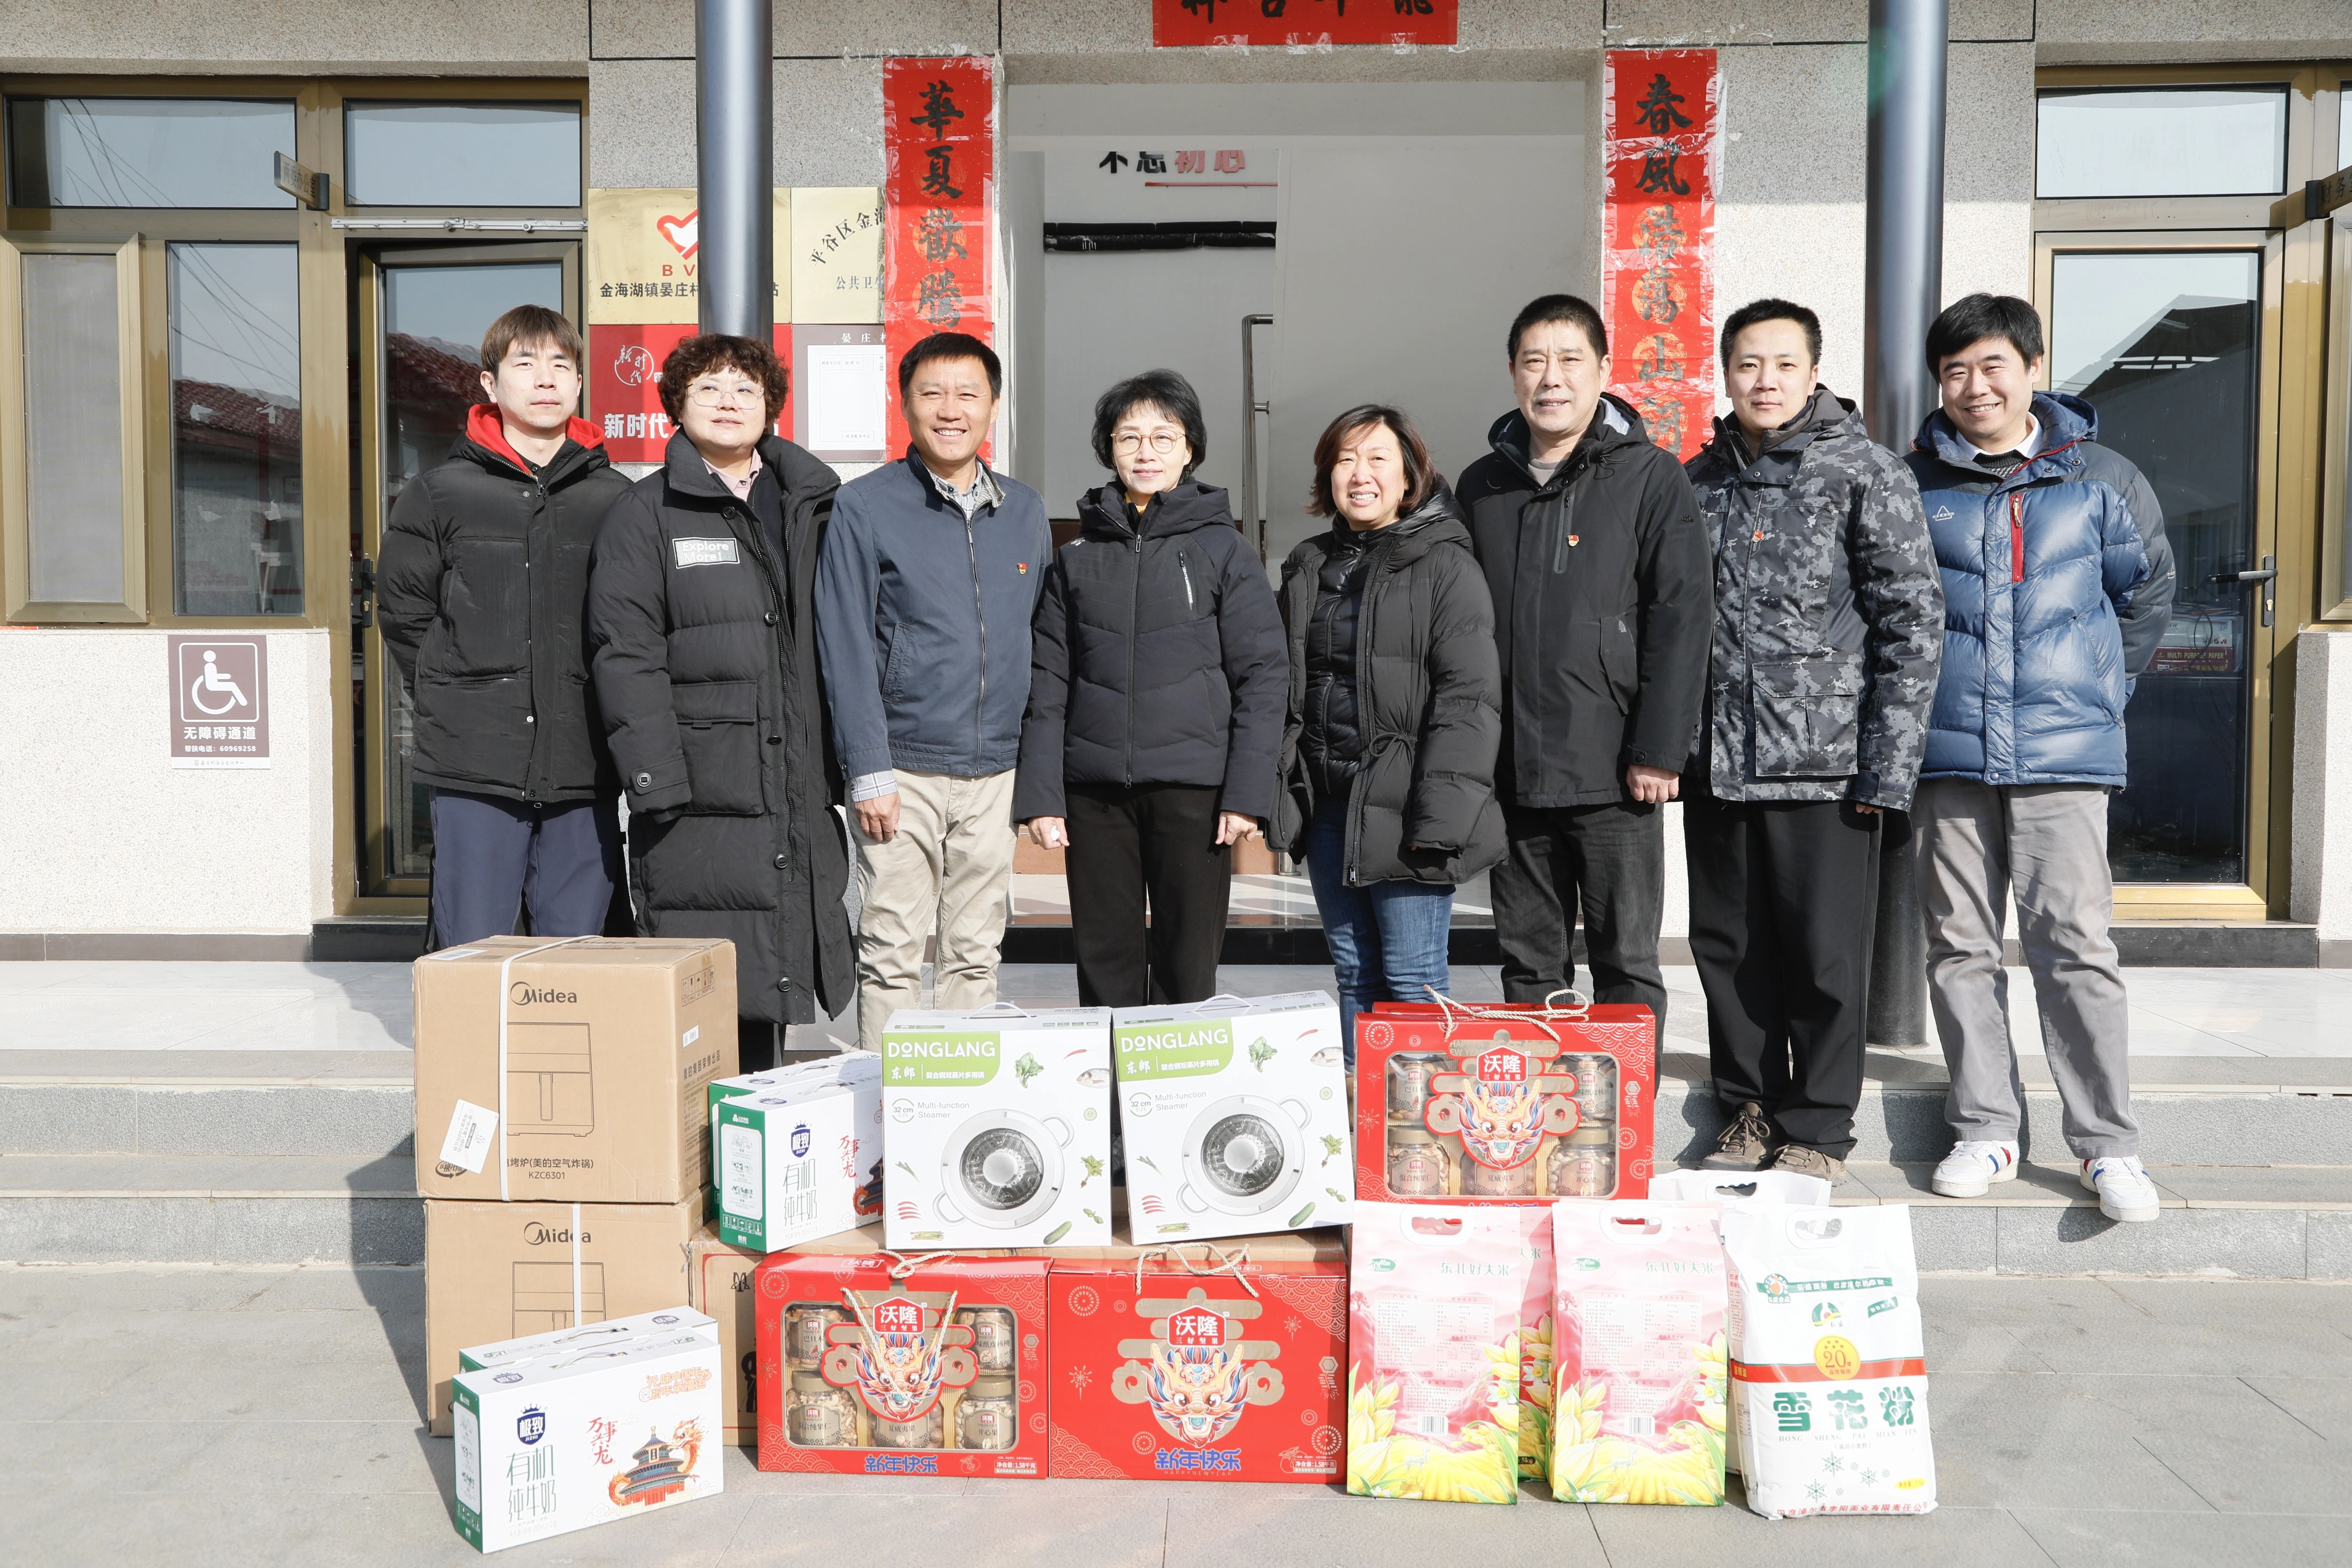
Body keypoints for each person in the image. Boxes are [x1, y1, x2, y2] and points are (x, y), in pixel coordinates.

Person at [1906, 293, 2176, 1224]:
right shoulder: (1914, 482)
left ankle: (2109, 1145)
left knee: (2075, 946)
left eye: (1992, 366)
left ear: (2031, 368)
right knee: (1960, 946)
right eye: (1955, 371)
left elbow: (2147, 594)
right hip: (1948, 752)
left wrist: (2099, 689)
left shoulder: (2101, 477)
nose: (1974, 386)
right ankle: (1986, 1128)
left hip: (2064, 755)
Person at [1681, 299, 1944, 1184]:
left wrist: (1887, 768)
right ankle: (1747, 1107)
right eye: (1748, 364)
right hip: (1719, 764)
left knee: (1824, 956)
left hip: (1826, 767)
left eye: (1784, 364)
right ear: (1727, 373)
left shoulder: (1865, 473)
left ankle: (1821, 1126)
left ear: (1814, 373)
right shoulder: (1698, 480)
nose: (1765, 381)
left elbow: (1913, 623)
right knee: (1729, 951)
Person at [587, 333, 852, 1073]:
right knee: (710, 986)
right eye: (708, 387)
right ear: (677, 405)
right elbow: (624, 652)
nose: (728, 402)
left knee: (777, 966)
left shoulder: (813, 505)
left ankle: (761, 1127)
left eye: (745, 389)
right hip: (701, 788)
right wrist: (656, 780)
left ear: (771, 406)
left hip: (794, 782)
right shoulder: (645, 514)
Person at [1455, 294, 1712, 1034]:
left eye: (1570, 360)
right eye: (1534, 361)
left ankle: (1626, 1111)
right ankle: (1544, 1109)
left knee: (1625, 960)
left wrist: (1660, 749)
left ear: (1602, 369)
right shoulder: (1482, 486)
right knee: (1528, 963)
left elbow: (1682, 615)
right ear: (1513, 373)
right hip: (1512, 771)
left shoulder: (1651, 476)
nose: (1552, 378)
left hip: (1616, 770)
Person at [1014, 370, 1287, 1006]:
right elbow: (1048, 679)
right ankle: (1109, 1073)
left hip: (1195, 792)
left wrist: (1246, 794)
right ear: (1108, 447)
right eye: (1129, 436)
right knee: (1103, 963)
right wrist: (1042, 797)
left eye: (1164, 437)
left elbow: (1264, 676)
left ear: (1190, 449)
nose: (1146, 452)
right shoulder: (1077, 555)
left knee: (1187, 966)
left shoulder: (1225, 550)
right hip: (1094, 794)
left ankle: (1177, 1074)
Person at [816, 332, 1053, 1047]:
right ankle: (893, 1102)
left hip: (995, 771)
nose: (951, 410)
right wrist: (868, 769)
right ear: (906, 404)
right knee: (891, 951)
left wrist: (1037, 774)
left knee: (975, 951)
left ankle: (961, 1099)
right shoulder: (865, 506)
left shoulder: (1024, 510)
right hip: (903, 769)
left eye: (968, 394)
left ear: (993, 407)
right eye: (932, 393)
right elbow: (845, 643)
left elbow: (1043, 642)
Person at [377, 304, 632, 948]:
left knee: (576, 951)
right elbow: (404, 611)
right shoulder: (440, 493)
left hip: (584, 758)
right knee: (474, 946)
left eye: (561, 365)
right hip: (475, 759)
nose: (545, 379)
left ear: (579, 383)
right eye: (526, 363)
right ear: (490, 384)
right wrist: (452, 694)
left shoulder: (616, 498)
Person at [1274, 405, 1504, 1054]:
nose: (1360, 474)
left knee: (1412, 979)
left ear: (1409, 477)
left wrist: (1442, 819)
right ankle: (1362, 1109)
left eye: (1378, 459)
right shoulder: (1309, 563)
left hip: (1409, 807)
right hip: (1329, 805)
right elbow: (1283, 684)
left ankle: (1417, 1119)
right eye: (1345, 459)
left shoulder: (1444, 563)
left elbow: (1469, 699)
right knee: (1355, 975)